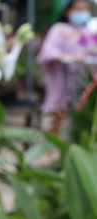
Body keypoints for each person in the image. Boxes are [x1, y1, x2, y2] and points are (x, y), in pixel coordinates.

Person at [37, 0, 91, 135]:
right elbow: (47, 53)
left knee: (79, 128)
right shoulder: (59, 29)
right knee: (56, 123)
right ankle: (50, 152)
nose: (83, 12)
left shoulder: (89, 33)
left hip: (84, 89)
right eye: (78, 9)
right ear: (67, 11)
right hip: (61, 85)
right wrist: (70, 57)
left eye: (85, 9)